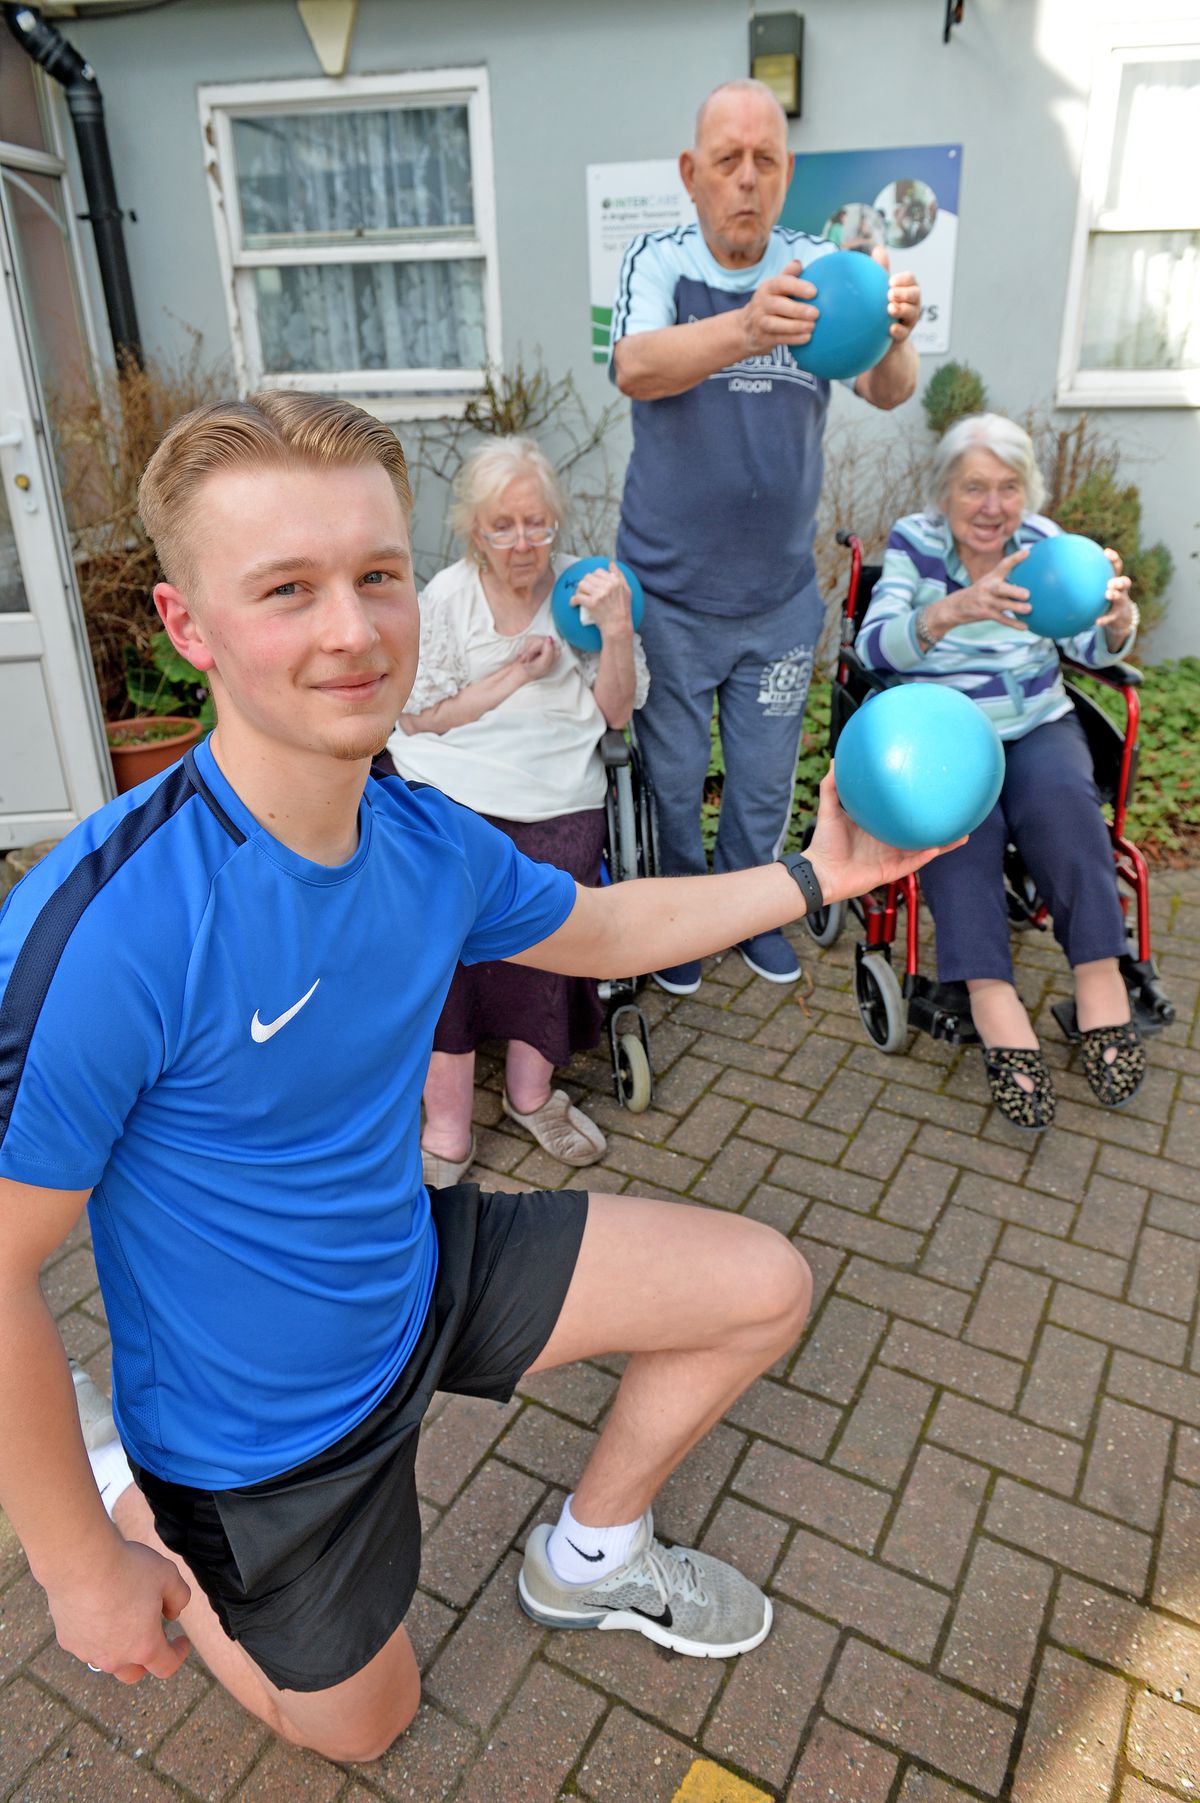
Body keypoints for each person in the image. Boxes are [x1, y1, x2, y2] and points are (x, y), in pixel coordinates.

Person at [0, 391, 952, 1765]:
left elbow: (605, 926)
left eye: (376, 574)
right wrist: (78, 1556)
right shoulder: (108, 929)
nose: (353, 626)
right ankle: (130, 1485)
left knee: (761, 1286)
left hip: (414, 1272)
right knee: (367, 1728)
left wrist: (817, 876)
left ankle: (591, 1553)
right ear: (188, 626)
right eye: (287, 588)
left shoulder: (419, 836)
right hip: (260, 1437)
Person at [610, 77, 922, 995]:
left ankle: (755, 915)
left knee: (757, 784)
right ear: (691, 174)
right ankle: (676, 922)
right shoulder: (659, 262)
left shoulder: (823, 267)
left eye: (766, 162)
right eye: (726, 161)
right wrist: (746, 326)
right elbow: (634, 365)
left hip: (779, 600)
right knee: (671, 781)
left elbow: (889, 389)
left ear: (786, 176)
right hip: (667, 598)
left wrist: (896, 332)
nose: (746, 180)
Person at [856, 412, 1145, 1130]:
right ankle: (991, 994)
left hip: (1037, 722)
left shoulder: (1045, 545)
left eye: (1008, 487)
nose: (992, 506)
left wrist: (1115, 620)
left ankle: (1101, 981)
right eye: (974, 487)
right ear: (944, 492)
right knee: (960, 838)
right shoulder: (915, 545)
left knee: (1070, 815)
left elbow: (1091, 644)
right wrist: (955, 608)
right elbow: (873, 647)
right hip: (946, 730)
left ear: (1028, 493)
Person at [389, 436, 649, 1179]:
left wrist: (619, 629)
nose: (523, 542)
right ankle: (446, 1126)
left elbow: (618, 712)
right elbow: (415, 718)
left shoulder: (588, 590)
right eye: (503, 525)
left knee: (557, 914)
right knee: (444, 925)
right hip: (451, 789)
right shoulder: (447, 597)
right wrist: (508, 677)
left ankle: (532, 1096)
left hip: (556, 795)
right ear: (475, 529)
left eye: (538, 523)